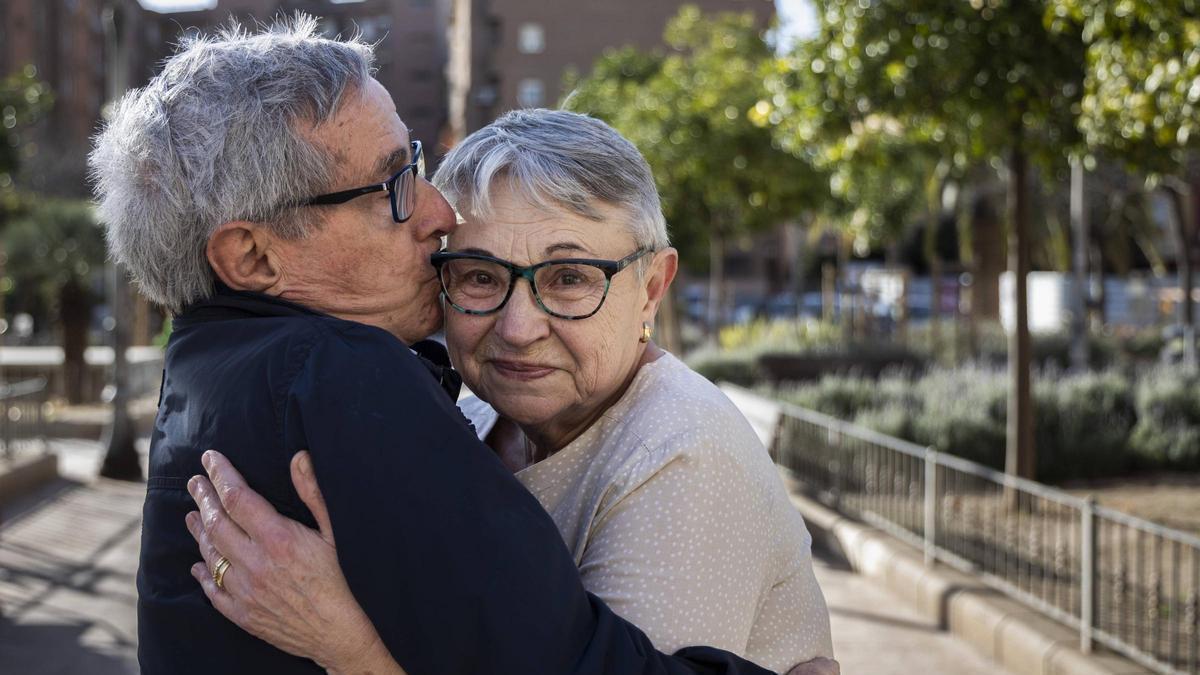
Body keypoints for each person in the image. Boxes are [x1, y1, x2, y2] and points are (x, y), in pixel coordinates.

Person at [90, 16, 832, 675]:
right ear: (253, 257)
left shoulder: (206, 369)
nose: (438, 212)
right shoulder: (341, 377)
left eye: (570, 278)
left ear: (652, 285)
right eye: (394, 185)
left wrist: (352, 648)